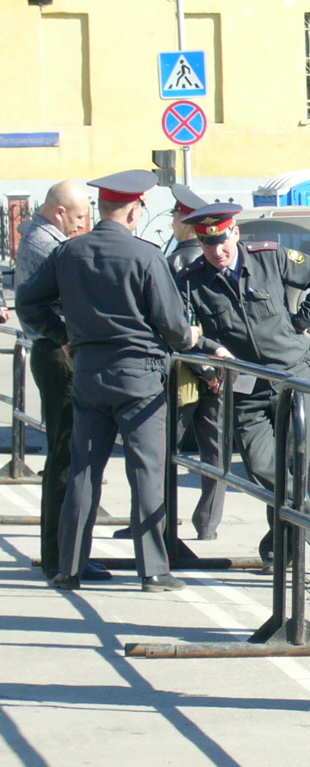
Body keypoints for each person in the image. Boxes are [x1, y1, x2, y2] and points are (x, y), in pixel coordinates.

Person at [17, 170, 199, 592]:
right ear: (135, 210)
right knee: (146, 472)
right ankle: (153, 570)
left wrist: (62, 336)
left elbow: (28, 302)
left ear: (100, 210)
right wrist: (192, 336)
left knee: (83, 472)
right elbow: (172, 326)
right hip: (139, 378)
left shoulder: (69, 253)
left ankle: (69, 566)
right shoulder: (146, 255)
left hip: (88, 374)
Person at [179, 203, 310, 573]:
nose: (217, 251)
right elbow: (180, 328)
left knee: (290, 468)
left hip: (291, 376)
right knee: (260, 468)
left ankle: (279, 547)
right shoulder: (191, 280)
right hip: (246, 386)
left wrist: (299, 321)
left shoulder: (269, 257)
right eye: (207, 244)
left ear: (235, 233)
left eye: (221, 241)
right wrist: (211, 350)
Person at [11, 181, 111, 582]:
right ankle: (60, 555)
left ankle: (62, 552)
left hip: (58, 351)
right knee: (67, 456)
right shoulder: (47, 243)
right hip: (59, 355)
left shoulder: (44, 236)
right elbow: (35, 305)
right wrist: (65, 336)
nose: (85, 224)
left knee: (68, 454)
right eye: (81, 217)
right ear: (59, 214)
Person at [165, 184, 226, 542]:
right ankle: (207, 523)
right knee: (213, 450)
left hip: (191, 371)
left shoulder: (180, 261)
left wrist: (205, 371)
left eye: (175, 215)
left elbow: (185, 323)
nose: (173, 221)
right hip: (214, 366)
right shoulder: (192, 257)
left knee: (169, 449)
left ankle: (162, 519)